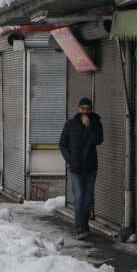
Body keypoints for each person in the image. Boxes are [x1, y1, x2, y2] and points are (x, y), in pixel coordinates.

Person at [59, 97, 104, 240]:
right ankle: (79, 227)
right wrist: (69, 159)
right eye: (82, 108)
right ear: (78, 109)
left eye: (88, 109)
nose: (85, 111)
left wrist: (89, 125)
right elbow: (62, 143)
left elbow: (98, 140)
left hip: (91, 168)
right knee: (78, 198)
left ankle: (85, 225)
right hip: (75, 169)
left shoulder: (96, 124)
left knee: (87, 199)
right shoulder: (70, 125)